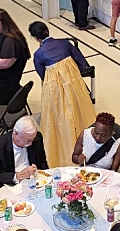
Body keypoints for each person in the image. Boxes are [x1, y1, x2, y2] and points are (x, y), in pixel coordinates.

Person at [28, 21, 95, 166]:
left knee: (60, 115)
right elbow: (80, 60)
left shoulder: (38, 54)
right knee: (79, 107)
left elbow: (42, 75)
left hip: (55, 88)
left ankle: (66, 143)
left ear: (36, 38)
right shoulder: (65, 43)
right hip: (73, 81)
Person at [0, 116, 49, 187]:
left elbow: (42, 162)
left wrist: (46, 179)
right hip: (11, 185)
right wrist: (18, 176)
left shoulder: (37, 138)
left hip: (36, 181)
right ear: (16, 133)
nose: (31, 143)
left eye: (33, 139)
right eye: (27, 140)